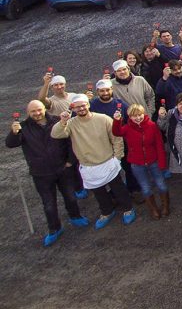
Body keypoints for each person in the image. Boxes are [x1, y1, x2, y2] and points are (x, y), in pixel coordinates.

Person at [6, 101, 88, 246]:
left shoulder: (57, 121)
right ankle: (54, 228)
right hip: (41, 173)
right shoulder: (23, 127)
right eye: (33, 112)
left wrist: (71, 160)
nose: (37, 114)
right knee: (48, 203)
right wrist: (13, 133)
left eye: (39, 110)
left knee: (70, 195)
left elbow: (70, 141)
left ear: (44, 109)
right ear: (28, 112)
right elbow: (11, 144)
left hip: (62, 168)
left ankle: (75, 216)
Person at [51, 94, 136, 228]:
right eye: (77, 107)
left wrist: (118, 157)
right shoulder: (71, 124)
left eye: (83, 105)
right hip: (88, 165)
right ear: (74, 108)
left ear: (88, 105)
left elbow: (116, 138)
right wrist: (62, 121)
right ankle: (107, 211)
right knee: (98, 192)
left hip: (108, 161)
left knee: (118, 188)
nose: (81, 109)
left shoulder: (103, 119)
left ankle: (128, 208)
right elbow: (56, 134)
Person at [111, 104, 169, 219]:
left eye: (139, 115)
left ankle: (165, 206)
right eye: (134, 116)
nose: (137, 118)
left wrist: (162, 162)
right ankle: (153, 209)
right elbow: (117, 132)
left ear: (144, 114)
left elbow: (159, 145)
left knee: (161, 185)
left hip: (154, 161)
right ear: (129, 117)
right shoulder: (127, 128)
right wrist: (117, 121)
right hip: (137, 164)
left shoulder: (152, 126)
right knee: (146, 188)